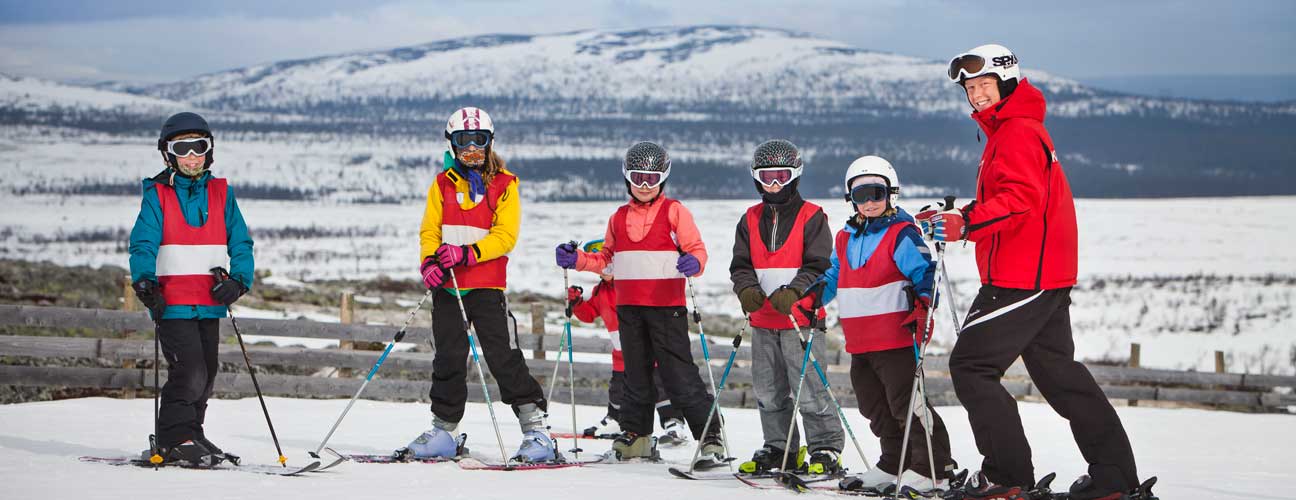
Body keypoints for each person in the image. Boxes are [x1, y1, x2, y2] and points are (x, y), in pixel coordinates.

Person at [925, 44, 1140, 499]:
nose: (977, 95)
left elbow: (1021, 200)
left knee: (971, 366)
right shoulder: (1014, 128)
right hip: (1043, 272)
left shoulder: (1017, 131)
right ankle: (1114, 479)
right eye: (970, 88)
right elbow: (1012, 197)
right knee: (1059, 375)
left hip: (1022, 276)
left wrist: (966, 224)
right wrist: (960, 214)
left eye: (984, 85)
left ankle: (1007, 478)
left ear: (1006, 82)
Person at [554, 141, 725, 468]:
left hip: (666, 308)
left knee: (678, 375)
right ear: (627, 179)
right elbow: (607, 262)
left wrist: (694, 263)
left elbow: (698, 250)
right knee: (635, 374)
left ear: (663, 179)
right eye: (637, 178)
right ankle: (637, 434)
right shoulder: (618, 218)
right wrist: (577, 259)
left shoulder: (675, 211)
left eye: (651, 178)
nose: (644, 185)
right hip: (629, 308)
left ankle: (710, 437)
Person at [404, 107, 556, 463]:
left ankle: (536, 430)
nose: (471, 149)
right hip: (449, 287)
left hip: (487, 286)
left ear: (490, 143)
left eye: (479, 141)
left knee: (503, 357)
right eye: (463, 142)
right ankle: (444, 430)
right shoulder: (442, 184)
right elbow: (430, 231)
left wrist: (468, 254)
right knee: (448, 357)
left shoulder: (505, 183)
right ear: (451, 144)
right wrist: (429, 262)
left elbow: (505, 236)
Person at [818, 156, 956, 493]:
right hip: (860, 340)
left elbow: (924, 273)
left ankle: (932, 468)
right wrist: (808, 298)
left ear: (890, 194)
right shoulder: (844, 237)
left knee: (908, 404)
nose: (868, 203)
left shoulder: (901, 234)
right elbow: (834, 275)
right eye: (860, 195)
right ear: (850, 198)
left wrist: (925, 303)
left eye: (876, 193)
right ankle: (895, 462)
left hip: (895, 337)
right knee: (873, 405)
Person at [129, 111, 255, 466]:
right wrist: (144, 281)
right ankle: (173, 438)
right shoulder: (158, 195)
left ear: (209, 150)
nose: (192, 156)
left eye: (199, 147)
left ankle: (192, 432)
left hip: (210, 301)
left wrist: (239, 281)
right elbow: (143, 244)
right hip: (171, 303)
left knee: (208, 373)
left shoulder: (220, 193)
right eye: (182, 148)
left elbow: (241, 242)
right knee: (189, 371)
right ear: (168, 154)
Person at [728, 140, 843, 475]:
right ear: (756, 179)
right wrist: (746, 288)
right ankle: (779, 448)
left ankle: (825, 448)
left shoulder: (813, 217)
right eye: (767, 177)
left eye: (781, 176)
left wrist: (795, 290)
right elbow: (741, 265)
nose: (773, 184)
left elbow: (819, 264)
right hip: (763, 320)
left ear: (795, 176)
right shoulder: (749, 219)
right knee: (768, 391)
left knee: (809, 389)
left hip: (800, 320)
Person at [567, 239, 689, 446]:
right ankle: (616, 419)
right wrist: (576, 303)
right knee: (619, 389)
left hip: (648, 348)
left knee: (660, 386)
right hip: (621, 353)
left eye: (609, 267)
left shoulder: (632, 285)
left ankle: (673, 423)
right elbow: (589, 315)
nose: (604, 272)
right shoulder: (600, 291)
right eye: (600, 269)